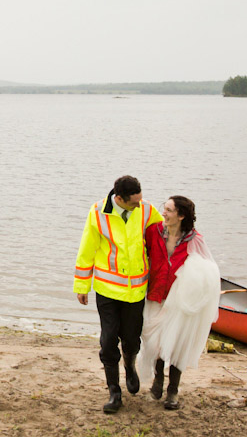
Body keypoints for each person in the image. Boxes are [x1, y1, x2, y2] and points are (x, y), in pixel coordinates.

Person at [74, 175, 164, 414]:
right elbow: (87, 248)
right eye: (134, 202)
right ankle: (114, 391)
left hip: (136, 290)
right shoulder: (97, 213)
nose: (139, 204)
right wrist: (81, 285)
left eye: (141, 199)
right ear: (119, 199)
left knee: (132, 340)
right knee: (108, 340)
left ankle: (130, 365)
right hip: (107, 289)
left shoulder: (145, 209)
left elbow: (165, 232)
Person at [139, 196, 220, 410]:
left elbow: (209, 271)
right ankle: (158, 381)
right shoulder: (152, 232)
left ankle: (173, 390)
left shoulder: (195, 239)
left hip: (180, 301)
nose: (163, 213)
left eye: (168, 210)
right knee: (155, 342)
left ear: (181, 216)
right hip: (156, 295)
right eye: (163, 208)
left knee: (177, 343)